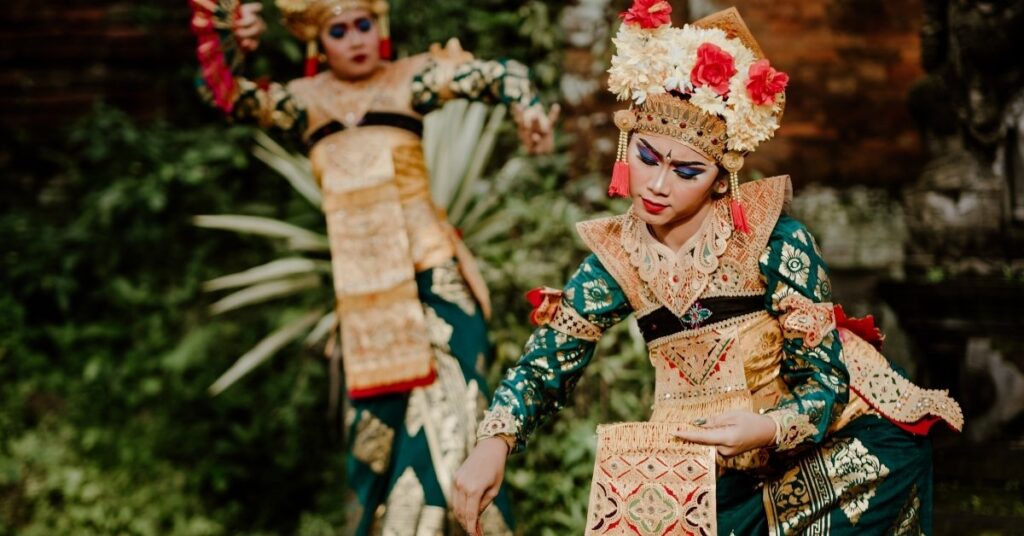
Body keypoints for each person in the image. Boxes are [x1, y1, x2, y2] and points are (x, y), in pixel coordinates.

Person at [452, 3, 963, 535]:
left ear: (722, 179)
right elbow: (545, 364)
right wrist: (495, 441)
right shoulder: (617, 257)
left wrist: (767, 427)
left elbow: (825, 379)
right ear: (630, 144)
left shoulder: (774, 240)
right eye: (648, 158)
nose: (656, 185)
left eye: (686, 171)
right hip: (707, 456)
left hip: (824, 440)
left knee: (869, 471)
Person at [188, 0, 559, 533]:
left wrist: (527, 108)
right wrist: (235, 44)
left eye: (364, 24)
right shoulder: (303, 102)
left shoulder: (410, 81)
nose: (355, 38)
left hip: (436, 283)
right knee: (373, 452)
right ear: (318, 40)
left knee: (446, 433)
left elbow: (502, 73)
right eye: (339, 30)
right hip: (368, 308)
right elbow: (222, 93)